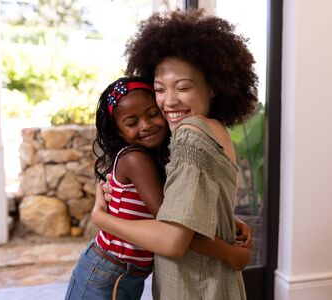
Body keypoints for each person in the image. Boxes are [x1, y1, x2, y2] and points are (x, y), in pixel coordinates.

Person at [92, 9, 259, 300]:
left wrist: (102, 219)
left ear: (213, 86)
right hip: (217, 283)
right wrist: (227, 222)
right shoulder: (214, 129)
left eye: (183, 87)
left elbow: (172, 241)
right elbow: (195, 203)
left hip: (193, 287)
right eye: (159, 89)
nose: (168, 101)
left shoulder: (189, 134)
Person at [66, 76, 251, 300]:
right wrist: (229, 254)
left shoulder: (156, 158)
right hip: (107, 272)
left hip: (123, 273)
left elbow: (182, 205)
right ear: (119, 132)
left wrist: (231, 222)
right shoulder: (136, 159)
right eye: (132, 123)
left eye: (153, 114)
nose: (146, 125)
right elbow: (173, 223)